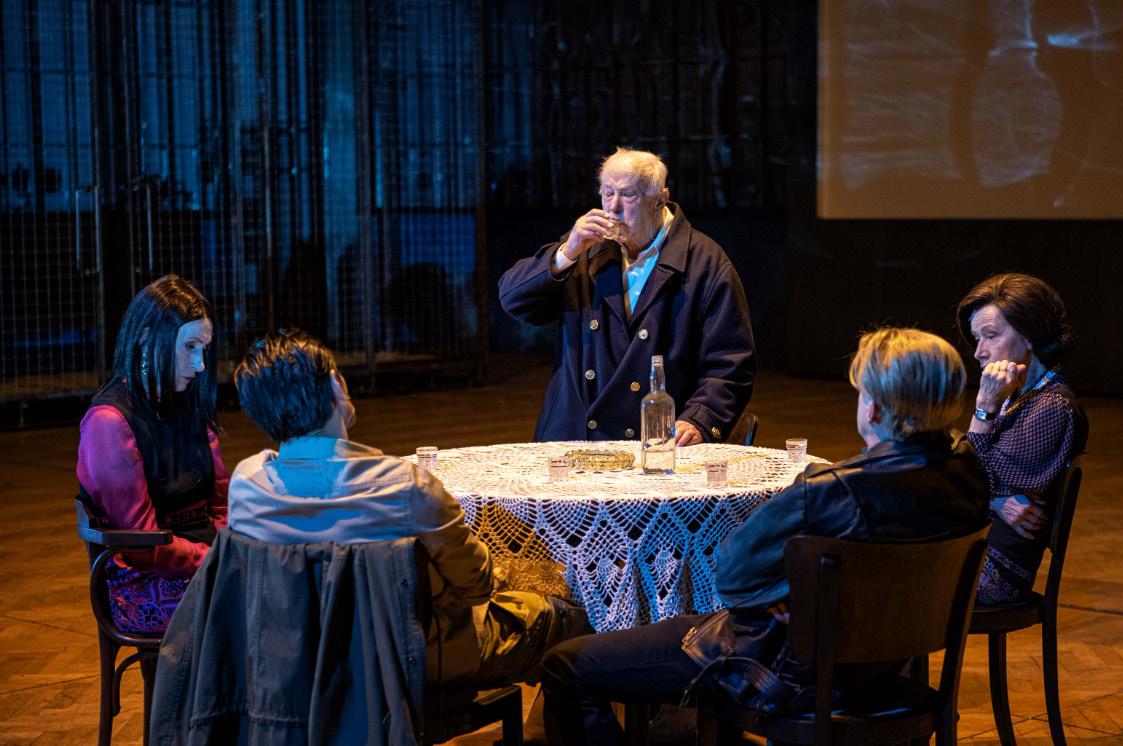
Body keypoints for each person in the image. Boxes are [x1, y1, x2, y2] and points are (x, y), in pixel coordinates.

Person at [539, 327, 990, 745]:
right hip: (886, 667)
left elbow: (731, 575)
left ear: (871, 408)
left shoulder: (831, 490)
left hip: (783, 671)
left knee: (563, 665)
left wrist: (792, 593)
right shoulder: (967, 473)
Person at [228, 329, 591, 687]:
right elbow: (477, 586)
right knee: (570, 616)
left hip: (296, 663)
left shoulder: (247, 485)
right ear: (334, 387)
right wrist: (440, 588)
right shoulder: (404, 486)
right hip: (411, 658)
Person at [498, 147, 756, 445]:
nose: (613, 207)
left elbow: (730, 363)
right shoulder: (584, 249)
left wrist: (701, 417)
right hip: (574, 437)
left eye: (628, 195)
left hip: (655, 439)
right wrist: (566, 252)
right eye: (607, 193)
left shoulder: (704, 262)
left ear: (660, 199)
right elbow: (513, 300)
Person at [76, 274, 226, 634]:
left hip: (202, 560)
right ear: (146, 340)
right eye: (190, 347)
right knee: (262, 596)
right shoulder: (109, 422)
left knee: (287, 582)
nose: (200, 365)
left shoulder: (188, 403)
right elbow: (141, 543)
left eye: (203, 349)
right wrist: (218, 558)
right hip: (142, 581)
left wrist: (231, 547)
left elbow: (221, 502)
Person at [957, 272, 1089, 604]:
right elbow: (971, 482)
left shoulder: (1053, 406)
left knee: (885, 576)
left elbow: (967, 480)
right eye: (977, 338)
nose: (979, 352)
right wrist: (995, 501)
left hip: (993, 570)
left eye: (990, 336)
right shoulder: (1019, 395)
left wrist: (984, 408)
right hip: (973, 548)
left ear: (1029, 336)